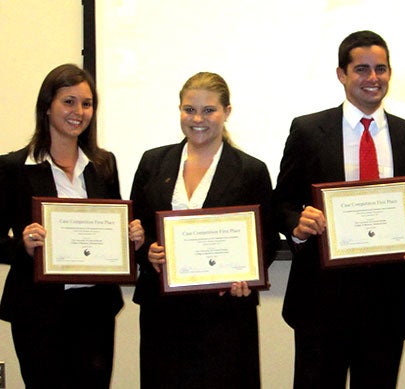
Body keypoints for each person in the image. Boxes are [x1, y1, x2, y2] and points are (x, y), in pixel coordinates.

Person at [272, 30, 405, 388]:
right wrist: (297, 224)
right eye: (361, 69)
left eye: (381, 68)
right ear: (341, 74)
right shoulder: (307, 130)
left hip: (385, 303)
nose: (373, 78)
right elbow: (281, 202)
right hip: (320, 301)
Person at [0, 63, 145, 388]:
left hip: (94, 309)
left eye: (87, 103)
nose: (78, 111)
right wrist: (21, 245)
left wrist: (130, 240)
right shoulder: (13, 168)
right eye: (69, 101)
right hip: (37, 311)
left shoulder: (103, 165)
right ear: (47, 105)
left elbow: (113, 228)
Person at [130, 71, 278, 388]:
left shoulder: (251, 170)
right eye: (189, 109)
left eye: (209, 110)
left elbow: (266, 239)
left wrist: (248, 277)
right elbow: (136, 229)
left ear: (227, 112)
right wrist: (148, 252)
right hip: (162, 313)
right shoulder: (153, 162)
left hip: (225, 315)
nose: (198, 118)